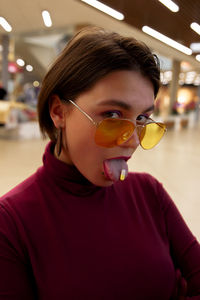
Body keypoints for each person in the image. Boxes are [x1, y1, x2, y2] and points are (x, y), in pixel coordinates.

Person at [0, 26, 200, 300]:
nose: (132, 141)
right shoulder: (11, 223)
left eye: (142, 119)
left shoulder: (149, 193)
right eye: (112, 114)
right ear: (59, 112)